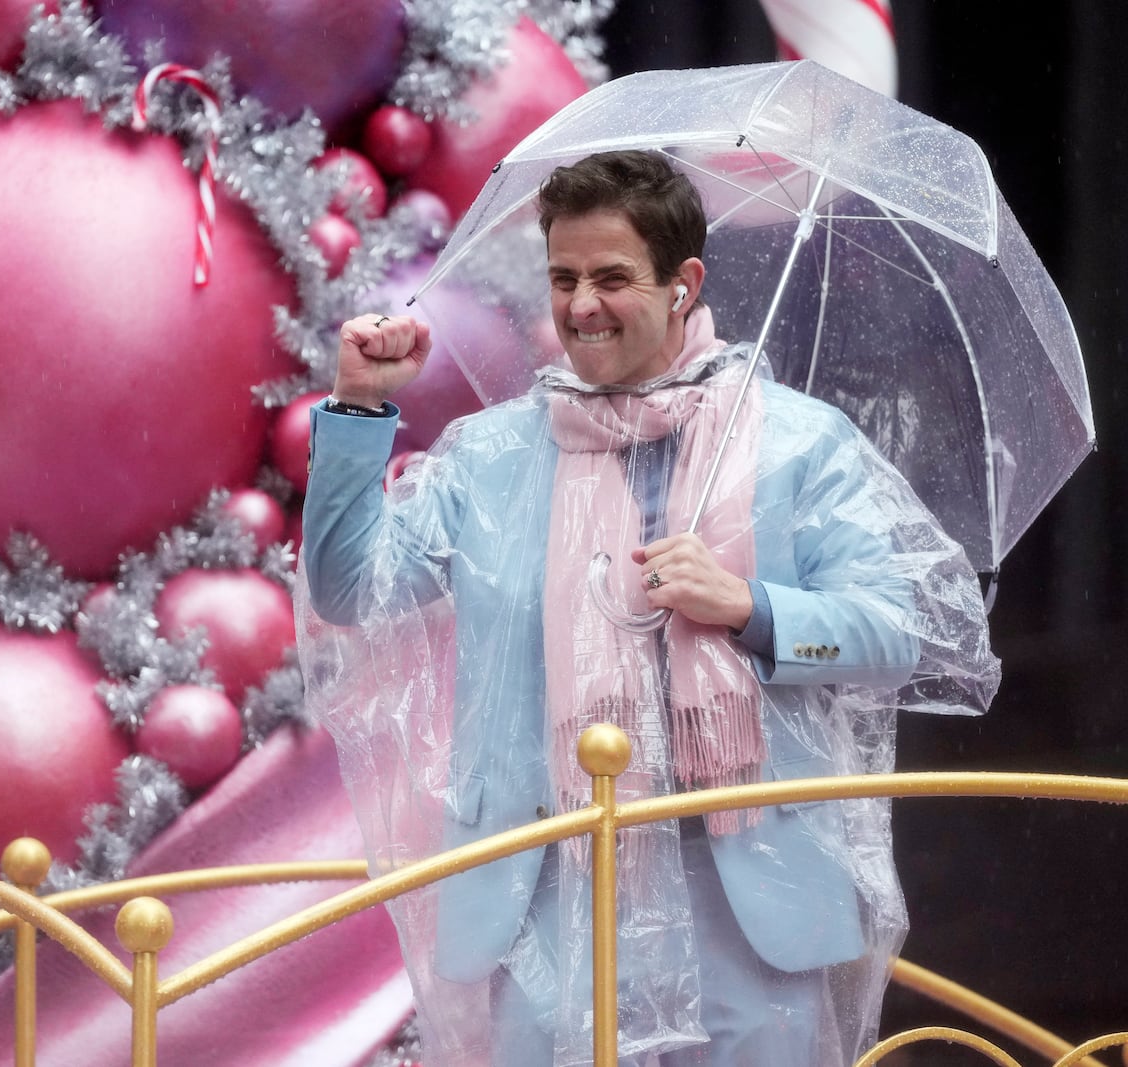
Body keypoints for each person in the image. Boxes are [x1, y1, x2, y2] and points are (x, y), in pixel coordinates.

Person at [297, 151, 999, 1066]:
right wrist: (356, 406)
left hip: (747, 892)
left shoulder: (797, 443)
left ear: (684, 283)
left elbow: (900, 630)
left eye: (612, 277)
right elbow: (354, 589)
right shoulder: (491, 456)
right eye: (563, 277)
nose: (581, 305)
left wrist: (749, 605)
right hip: (542, 882)